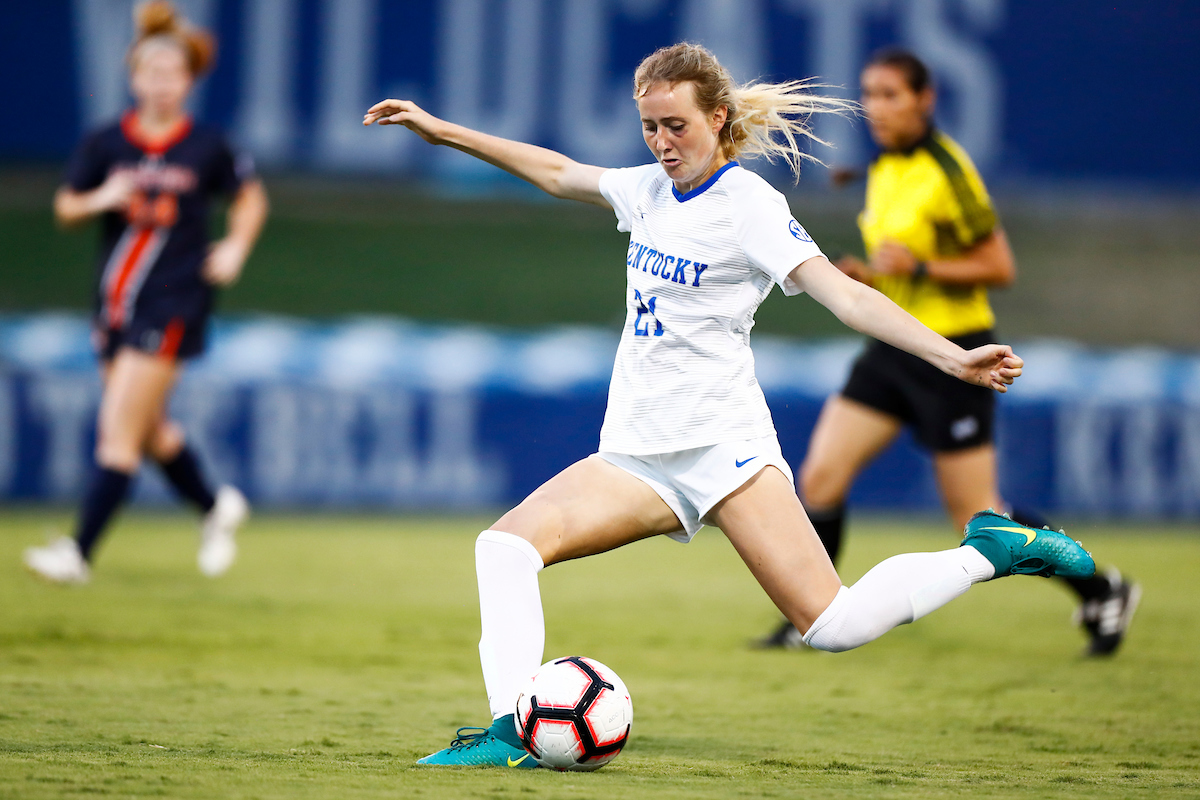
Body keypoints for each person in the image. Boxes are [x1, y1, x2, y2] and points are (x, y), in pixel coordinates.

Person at [363, 43, 1095, 768]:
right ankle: (509, 733)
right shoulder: (648, 191)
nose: (661, 142)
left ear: (717, 118)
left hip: (724, 450)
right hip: (638, 454)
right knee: (505, 548)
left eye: (675, 125)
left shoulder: (748, 205)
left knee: (833, 625)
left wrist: (951, 354)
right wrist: (443, 130)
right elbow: (557, 172)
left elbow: (845, 296)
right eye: (649, 126)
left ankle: (988, 551)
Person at [756, 49, 1139, 658]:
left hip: (956, 356)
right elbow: (899, 270)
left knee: (980, 518)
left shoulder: (948, 170)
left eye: (890, 95)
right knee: (822, 478)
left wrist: (925, 266)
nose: (875, 108)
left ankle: (1102, 586)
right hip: (894, 348)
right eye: (869, 94)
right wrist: (872, 277)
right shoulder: (885, 167)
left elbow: (999, 266)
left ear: (924, 100)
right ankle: (810, 614)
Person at [23, 1, 268, 584]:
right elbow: (64, 208)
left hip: (175, 300)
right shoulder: (107, 142)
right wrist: (100, 199)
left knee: (118, 432)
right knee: (149, 427)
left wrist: (234, 246)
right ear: (134, 78)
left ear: (188, 82)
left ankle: (78, 552)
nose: (161, 84)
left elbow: (250, 197)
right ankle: (214, 506)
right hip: (115, 304)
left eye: (172, 74)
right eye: (151, 73)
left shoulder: (207, 145)